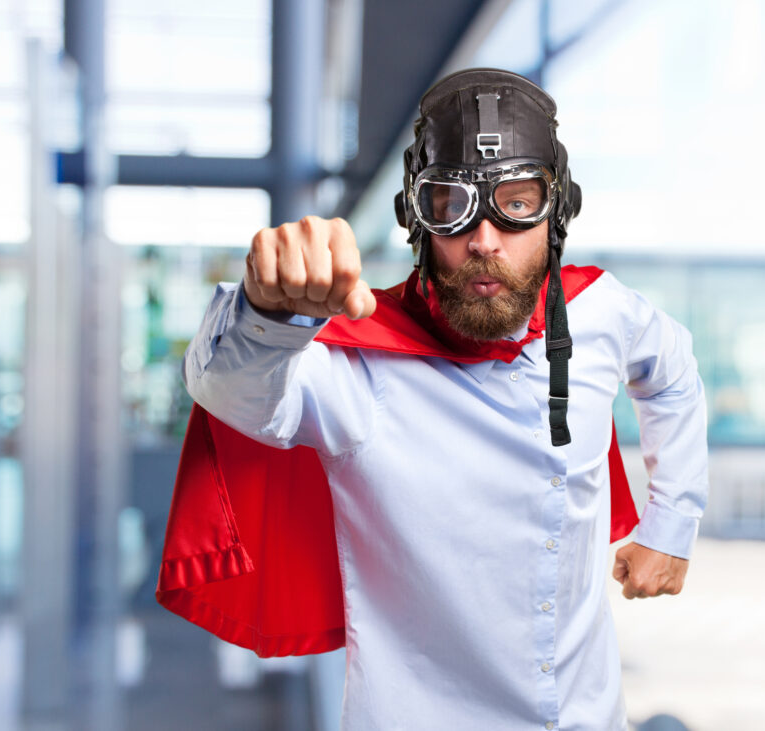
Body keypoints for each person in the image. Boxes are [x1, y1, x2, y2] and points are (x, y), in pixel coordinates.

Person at [160, 68, 708, 730]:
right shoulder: (356, 370)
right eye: (451, 204)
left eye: (517, 200)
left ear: (558, 210)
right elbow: (229, 389)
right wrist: (265, 310)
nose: (483, 237)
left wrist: (671, 524)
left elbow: (671, 368)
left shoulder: (603, 312)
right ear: (415, 219)